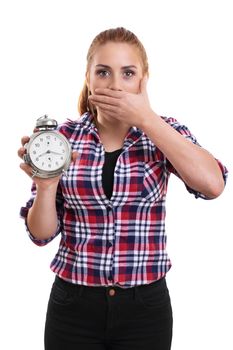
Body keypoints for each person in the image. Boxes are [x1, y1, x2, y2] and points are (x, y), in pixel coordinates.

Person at [18, 27, 228, 350]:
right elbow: (40, 234)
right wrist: (46, 188)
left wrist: (146, 119)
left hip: (145, 309)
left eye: (127, 73)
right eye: (103, 72)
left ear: (143, 80)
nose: (115, 84)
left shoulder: (163, 133)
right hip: (73, 307)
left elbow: (213, 184)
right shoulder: (62, 139)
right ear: (88, 78)